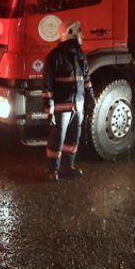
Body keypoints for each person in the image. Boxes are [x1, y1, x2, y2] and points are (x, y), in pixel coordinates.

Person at [42, 19, 93, 181]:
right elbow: (47, 84)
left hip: (77, 106)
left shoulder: (79, 55)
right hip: (61, 107)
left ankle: (67, 167)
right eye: (80, 32)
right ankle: (52, 170)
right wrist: (48, 108)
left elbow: (86, 79)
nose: (82, 36)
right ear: (72, 34)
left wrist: (91, 96)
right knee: (57, 139)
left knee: (73, 138)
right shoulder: (55, 57)